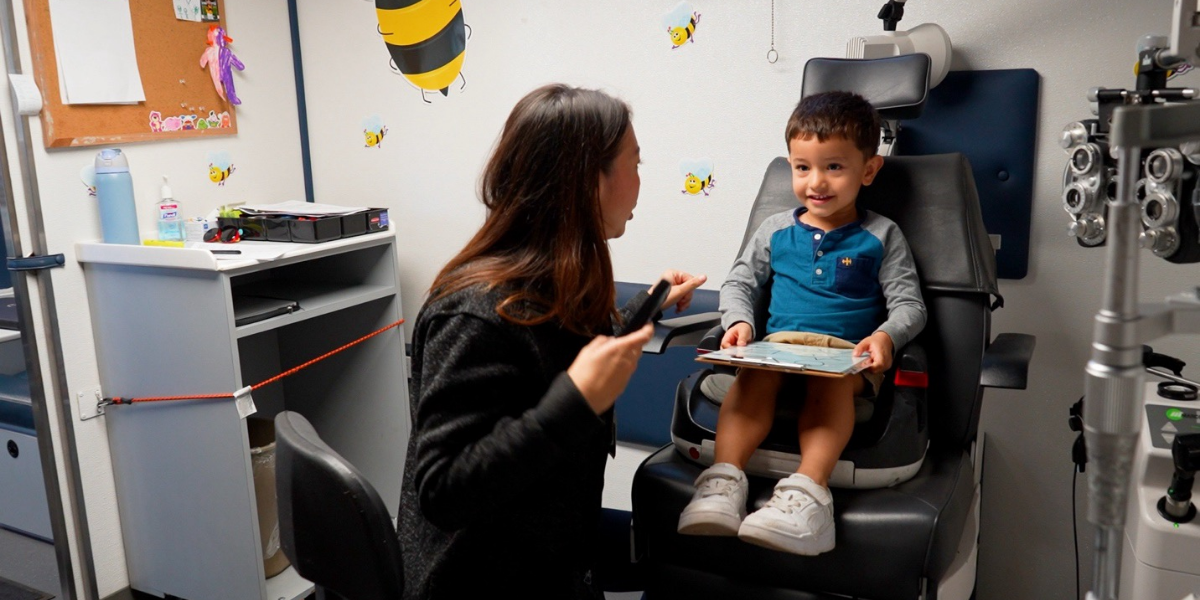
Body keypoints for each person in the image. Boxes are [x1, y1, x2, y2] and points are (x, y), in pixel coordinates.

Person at [398, 83, 707, 599]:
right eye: (635, 164)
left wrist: (647, 305)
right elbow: (443, 490)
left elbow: (551, 360)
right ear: (590, 182)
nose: (638, 182)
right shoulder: (475, 314)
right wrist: (576, 402)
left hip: (551, 565)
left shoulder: (551, 284)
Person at [676, 91, 926, 556]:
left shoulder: (881, 235)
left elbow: (909, 305)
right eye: (802, 167)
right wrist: (740, 322)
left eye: (834, 167)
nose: (817, 182)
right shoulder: (775, 230)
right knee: (752, 378)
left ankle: (807, 496)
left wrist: (884, 336)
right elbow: (738, 284)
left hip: (843, 356)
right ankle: (723, 485)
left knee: (826, 385)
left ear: (869, 170)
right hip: (777, 348)